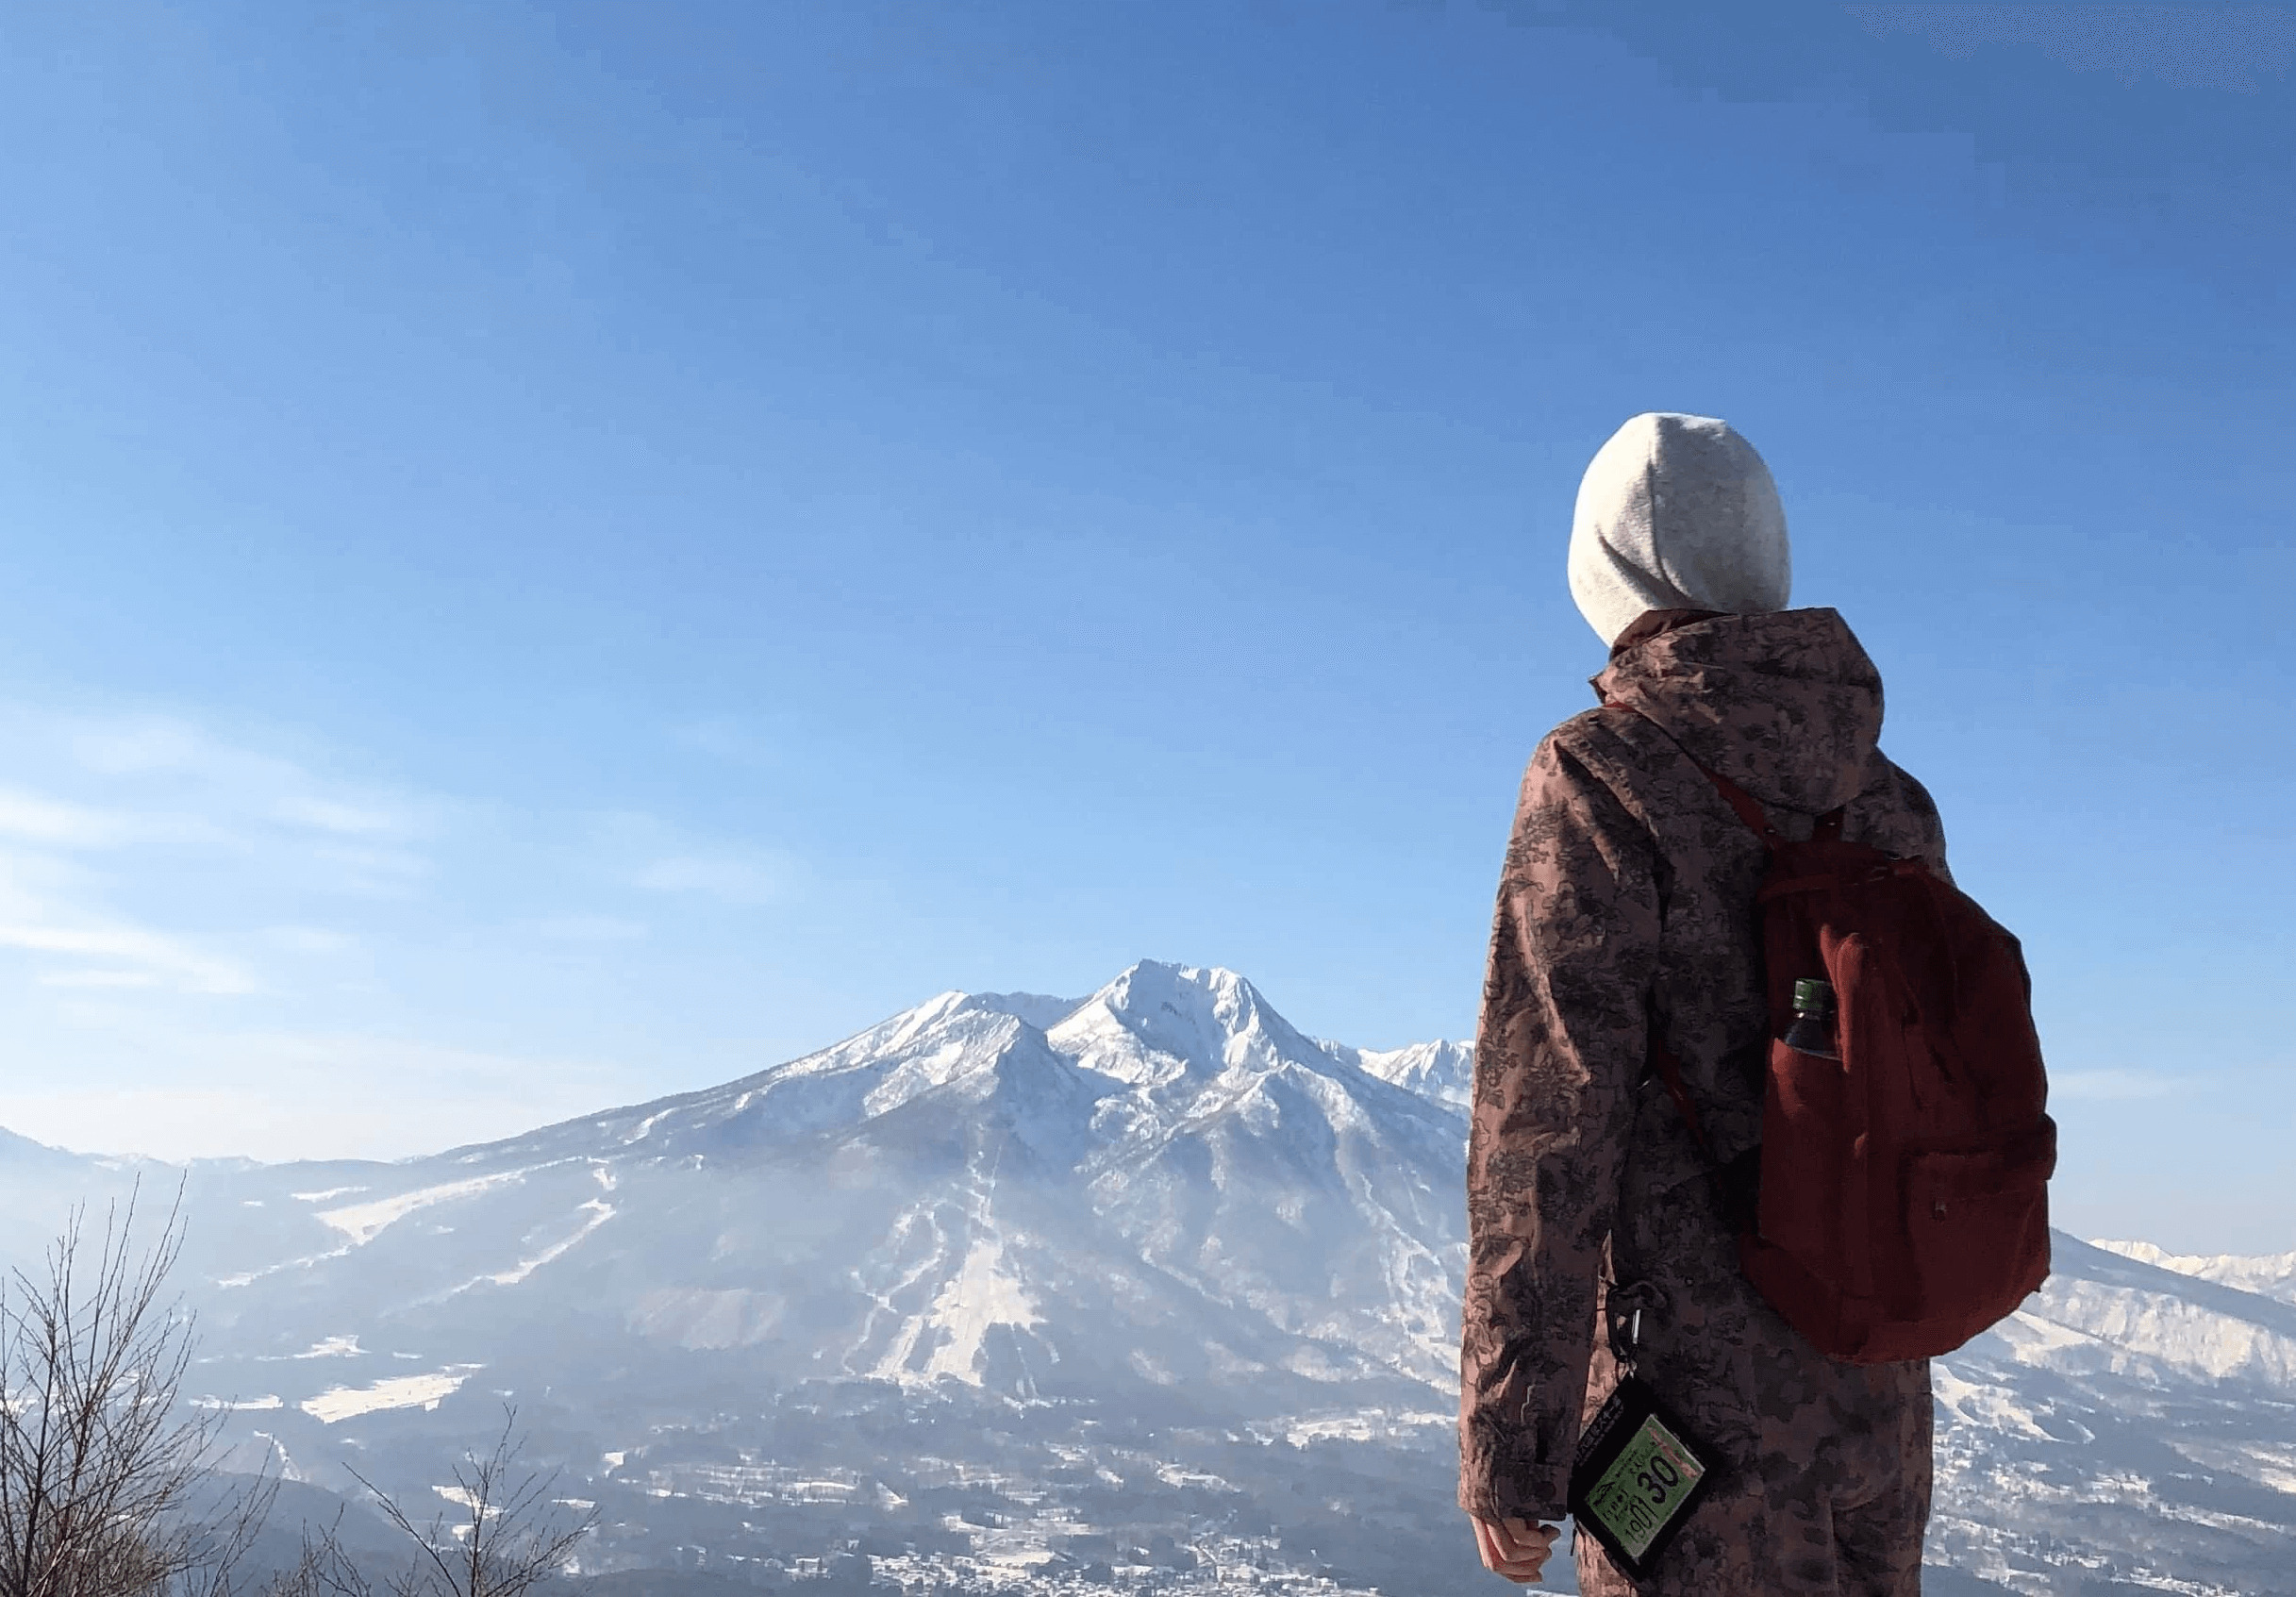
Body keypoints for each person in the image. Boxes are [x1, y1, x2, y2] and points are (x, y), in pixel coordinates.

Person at [1458, 413, 1944, 1594]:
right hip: (1879, 1393)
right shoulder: (1888, 800)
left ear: (1611, 572)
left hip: (1695, 1413)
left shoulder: (1600, 772)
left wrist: (1511, 1439)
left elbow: (1547, 1124)